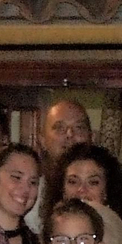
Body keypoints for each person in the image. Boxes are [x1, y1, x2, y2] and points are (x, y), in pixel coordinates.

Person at [26, 99, 93, 231]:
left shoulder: (104, 188)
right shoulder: (30, 191)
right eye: (60, 128)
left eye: (79, 127)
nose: (70, 135)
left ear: (91, 137)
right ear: (42, 140)